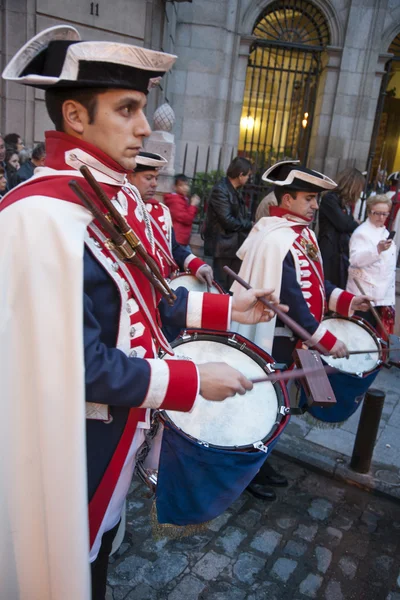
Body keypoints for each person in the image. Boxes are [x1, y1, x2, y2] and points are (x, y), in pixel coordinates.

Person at [0, 25, 282, 600]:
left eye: (142, 108)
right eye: (127, 109)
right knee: (62, 568)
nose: (144, 126)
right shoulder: (40, 216)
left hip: (114, 435)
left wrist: (231, 308)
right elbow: (77, 366)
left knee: (96, 555)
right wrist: (192, 379)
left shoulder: (104, 195)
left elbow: (148, 305)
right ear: (75, 117)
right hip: (70, 448)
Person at [231, 160, 371, 501]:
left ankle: (260, 464)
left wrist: (345, 300)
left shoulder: (300, 233)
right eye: (309, 198)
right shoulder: (274, 236)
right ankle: (245, 471)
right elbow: (289, 297)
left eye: (316, 200)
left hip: (294, 339)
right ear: (288, 198)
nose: (314, 206)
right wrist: (326, 341)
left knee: (279, 407)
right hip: (273, 339)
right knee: (262, 407)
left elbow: (314, 283)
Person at [128, 151, 213, 285]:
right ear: (130, 176)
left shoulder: (161, 211)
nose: (155, 183)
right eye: (149, 178)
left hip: (164, 285)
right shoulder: (121, 209)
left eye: (156, 178)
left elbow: (172, 248)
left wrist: (197, 265)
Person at [347, 194, 396, 335]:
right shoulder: (361, 233)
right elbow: (355, 260)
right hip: (365, 293)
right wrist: (378, 249)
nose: (381, 218)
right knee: (362, 334)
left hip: (381, 294)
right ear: (369, 212)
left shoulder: (383, 231)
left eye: (384, 214)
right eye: (377, 213)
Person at [203, 156, 253, 290]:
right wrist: (249, 225)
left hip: (233, 247)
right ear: (240, 174)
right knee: (222, 285)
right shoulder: (221, 190)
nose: (249, 179)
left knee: (232, 285)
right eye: (248, 175)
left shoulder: (233, 190)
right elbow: (228, 221)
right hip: (223, 247)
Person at [318, 167, 365, 288]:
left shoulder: (343, 202)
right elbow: (344, 224)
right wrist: (357, 224)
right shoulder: (330, 198)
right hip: (330, 251)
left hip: (340, 252)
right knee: (327, 285)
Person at [164, 173, 200, 250]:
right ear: (175, 187)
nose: (185, 188)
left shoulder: (182, 199)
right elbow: (187, 219)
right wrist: (193, 205)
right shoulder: (175, 200)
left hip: (181, 238)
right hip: (178, 238)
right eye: (181, 185)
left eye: (186, 185)